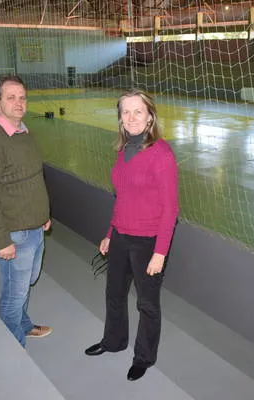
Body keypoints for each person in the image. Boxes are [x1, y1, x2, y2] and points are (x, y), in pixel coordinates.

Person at [84, 88, 179, 381]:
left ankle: (144, 357)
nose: (132, 117)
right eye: (126, 111)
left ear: (150, 116)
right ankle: (113, 341)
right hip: (121, 237)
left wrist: (160, 252)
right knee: (114, 294)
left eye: (138, 111)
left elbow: (170, 209)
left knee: (147, 304)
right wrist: (110, 233)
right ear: (119, 118)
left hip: (148, 241)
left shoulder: (161, 154)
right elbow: (122, 198)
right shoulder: (122, 151)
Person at [0, 75, 52, 348]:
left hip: (34, 228)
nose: (18, 103)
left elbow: (30, 179)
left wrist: (43, 215)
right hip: (13, 235)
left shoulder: (22, 133)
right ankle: (13, 346)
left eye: (22, 97)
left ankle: (24, 325)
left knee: (25, 283)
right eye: (10, 97)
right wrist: (1, 240)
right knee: (14, 294)